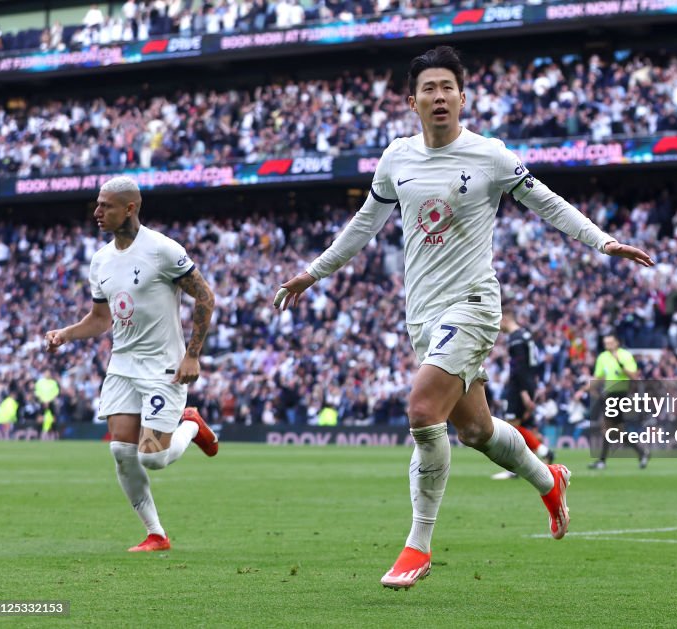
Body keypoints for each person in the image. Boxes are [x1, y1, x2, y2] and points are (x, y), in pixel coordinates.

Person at [273, 45, 654, 590]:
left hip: (474, 305)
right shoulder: (396, 159)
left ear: (462, 97)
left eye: (448, 87)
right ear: (413, 101)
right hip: (422, 316)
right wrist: (311, 273)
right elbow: (363, 225)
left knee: (422, 409)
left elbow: (547, 202)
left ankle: (417, 546)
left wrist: (603, 241)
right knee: (474, 429)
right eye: (428, 88)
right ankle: (550, 479)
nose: (439, 96)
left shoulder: (490, 155)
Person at [45, 176, 219, 552]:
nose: (97, 212)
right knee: (121, 452)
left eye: (105, 205)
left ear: (130, 208)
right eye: (97, 204)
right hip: (122, 366)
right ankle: (156, 533)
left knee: (152, 459)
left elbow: (205, 297)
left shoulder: (162, 250)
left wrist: (192, 354)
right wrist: (66, 334)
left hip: (162, 367)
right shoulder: (101, 260)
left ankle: (191, 424)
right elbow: (100, 318)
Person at [491, 310, 555, 480]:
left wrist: (524, 393)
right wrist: (532, 388)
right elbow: (532, 365)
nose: (497, 327)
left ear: (505, 319)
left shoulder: (515, 339)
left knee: (511, 428)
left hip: (519, 387)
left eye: (498, 322)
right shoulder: (526, 335)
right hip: (528, 384)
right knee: (523, 427)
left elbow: (518, 368)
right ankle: (534, 460)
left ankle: (541, 452)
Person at [587, 334, 649, 470]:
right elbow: (598, 377)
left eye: (610, 342)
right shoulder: (603, 357)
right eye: (605, 343)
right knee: (616, 431)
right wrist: (584, 388)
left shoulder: (625, 356)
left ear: (617, 343)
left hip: (620, 394)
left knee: (607, 427)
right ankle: (642, 453)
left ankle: (602, 461)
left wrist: (620, 363)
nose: (607, 345)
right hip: (609, 395)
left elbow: (634, 376)